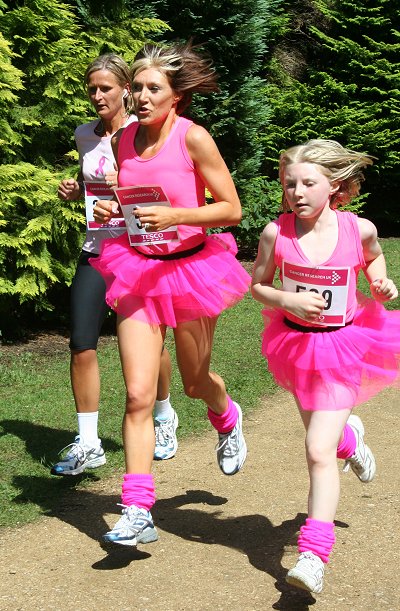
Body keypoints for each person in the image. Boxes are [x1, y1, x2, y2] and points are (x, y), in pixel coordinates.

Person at [90, 41, 250, 546]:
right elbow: (133, 201)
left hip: (192, 269)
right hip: (138, 270)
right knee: (138, 393)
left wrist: (180, 215)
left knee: (195, 380)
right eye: (135, 87)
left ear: (175, 96)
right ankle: (138, 507)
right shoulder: (124, 140)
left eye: (151, 88)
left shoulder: (193, 138)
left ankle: (225, 414)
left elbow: (231, 209)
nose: (140, 96)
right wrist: (115, 215)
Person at [251, 139, 400, 594]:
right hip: (296, 346)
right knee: (328, 441)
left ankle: (313, 555)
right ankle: (351, 440)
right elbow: (257, 285)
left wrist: (380, 283)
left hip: (344, 346)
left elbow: (373, 259)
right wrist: (286, 298)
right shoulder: (277, 233)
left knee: (316, 448)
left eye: (308, 183)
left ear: (333, 185)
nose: (297, 192)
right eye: (289, 183)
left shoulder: (360, 229)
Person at [51, 53, 178, 477]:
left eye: (106, 88)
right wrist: (75, 189)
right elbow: (93, 183)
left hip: (139, 250)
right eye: (92, 89)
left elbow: (160, 187)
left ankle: (163, 417)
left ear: (126, 89)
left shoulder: (144, 133)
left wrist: (121, 190)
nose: (98, 96)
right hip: (96, 247)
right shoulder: (84, 135)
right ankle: (89, 443)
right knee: (81, 341)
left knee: (153, 341)